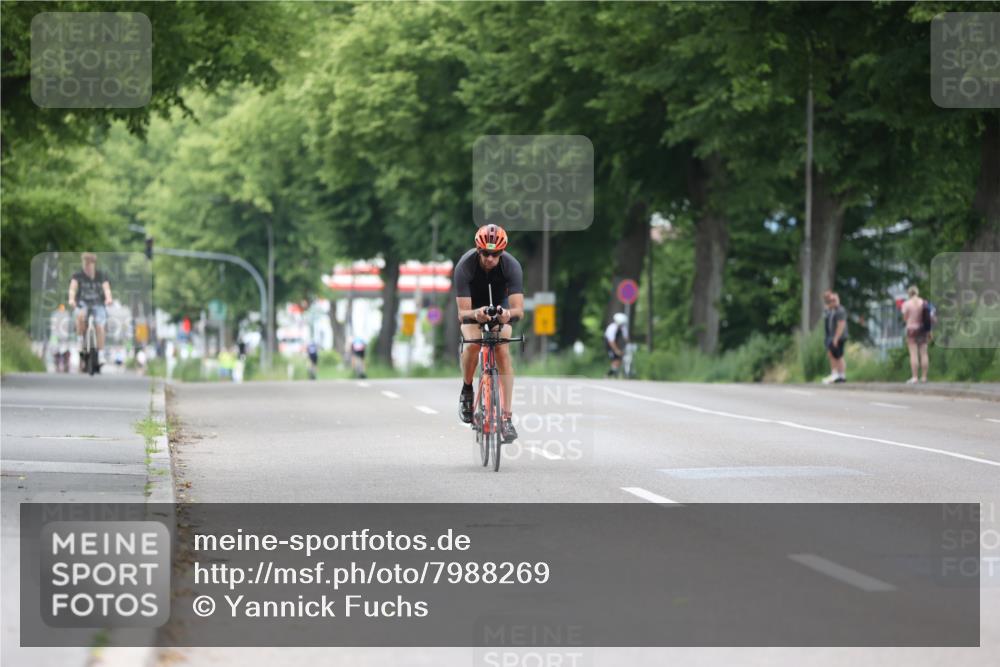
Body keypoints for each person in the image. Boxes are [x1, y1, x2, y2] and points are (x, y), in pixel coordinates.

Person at [454, 224, 524, 442]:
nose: (489, 258)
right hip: (473, 308)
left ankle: (507, 417)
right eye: (485, 253)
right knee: (473, 343)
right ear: (478, 250)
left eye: (494, 254)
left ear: (502, 252)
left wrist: (506, 315)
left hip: (500, 306)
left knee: (503, 350)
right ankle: (467, 389)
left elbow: (519, 311)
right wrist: (477, 313)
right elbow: (462, 314)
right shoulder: (465, 267)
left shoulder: (512, 267)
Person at [68, 252, 113, 372]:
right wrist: (71, 299)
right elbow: (73, 288)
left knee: (100, 326)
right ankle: (80, 340)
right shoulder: (77, 275)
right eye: (85, 264)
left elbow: (106, 288)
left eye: (89, 264)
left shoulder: (101, 276)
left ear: (94, 264)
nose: (87, 266)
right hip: (82, 303)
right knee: (80, 315)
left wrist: (108, 298)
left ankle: (101, 353)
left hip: (98, 305)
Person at [901, 285, 930, 384]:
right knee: (924, 353)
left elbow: (905, 318)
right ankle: (924, 377)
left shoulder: (907, 304)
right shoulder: (923, 302)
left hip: (911, 330)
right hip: (923, 330)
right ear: (917, 292)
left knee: (913, 354)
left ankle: (915, 377)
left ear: (909, 293)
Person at [821, 290, 847, 384]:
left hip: (838, 337)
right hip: (832, 336)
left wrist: (836, 338)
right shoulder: (831, 310)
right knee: (833, 354)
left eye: (832, 300)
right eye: (829, 301)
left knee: (838, 356)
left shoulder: (840, 310)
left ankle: (840, 375)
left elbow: (841, 325)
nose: (830, 302)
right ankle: (838, 375)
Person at [604, 312, 630, 377]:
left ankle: (613, 373)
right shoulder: (611, 328)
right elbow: (611, 341)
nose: (622, 325)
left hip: (617, 343)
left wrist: (629, 346)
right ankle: (609, 374)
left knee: (619, 360)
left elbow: (626, 338)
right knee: (616, 360)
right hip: (609, 345)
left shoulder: (623, 328)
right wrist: (616, 350)